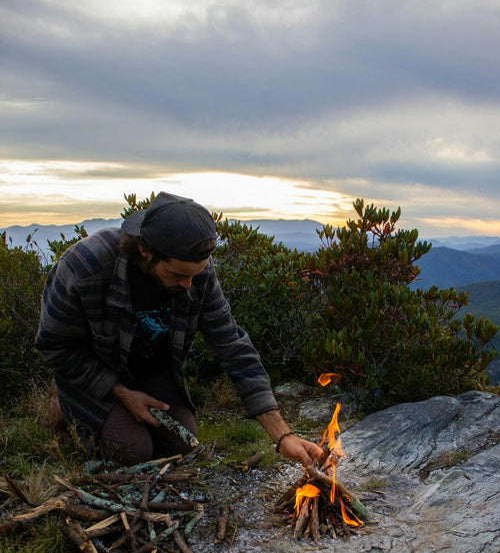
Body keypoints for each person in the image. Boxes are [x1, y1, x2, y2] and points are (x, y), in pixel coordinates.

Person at [36, 191, 323, 467]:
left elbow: (231, 345)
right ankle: (68, 413)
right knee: (133, 450)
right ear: (145, 250)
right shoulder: (84, 268)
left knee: (181, 445)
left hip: (149, 372)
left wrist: (282, 435)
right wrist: (121, 392)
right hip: (96, 373)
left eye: (194, 275)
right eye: (177, 275)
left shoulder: (196, 272)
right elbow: (55, 346)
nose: (188, 285)